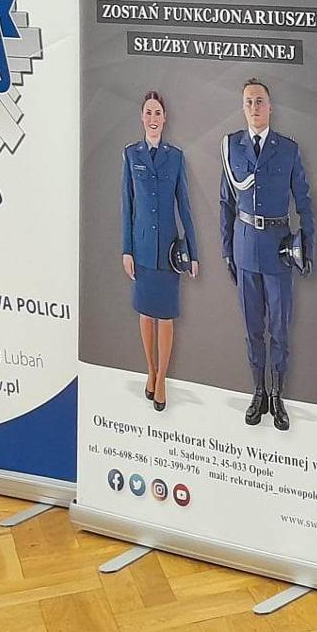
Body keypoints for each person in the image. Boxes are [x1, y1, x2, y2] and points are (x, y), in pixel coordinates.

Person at [219, 78, 313, 430]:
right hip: (245, 249)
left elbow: (304, 202)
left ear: (271, 107)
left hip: (278, 250)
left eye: (260, 101)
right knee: (253, 329)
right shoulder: (232, 147)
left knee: (280, 330)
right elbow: (226, 202)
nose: (254, 107)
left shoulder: (287, 149)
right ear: (243, 107)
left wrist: (308, 247)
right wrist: (227, 249)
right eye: (248, 102)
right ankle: (258, 392)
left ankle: (277, 395)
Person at [121, 91, 199, 412]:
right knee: (145, 314)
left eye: (158, 113)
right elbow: (127, 205)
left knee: (165, 316)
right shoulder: (131, 154)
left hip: (168, 250)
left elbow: (185, 207)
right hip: (141, 248)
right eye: (148, 112)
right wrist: (126, 250)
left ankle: (163, 377)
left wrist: (193, 252)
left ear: (165, 118)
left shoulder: (176, 157)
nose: (153, 118)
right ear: (142, 117)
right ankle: (150, 370)